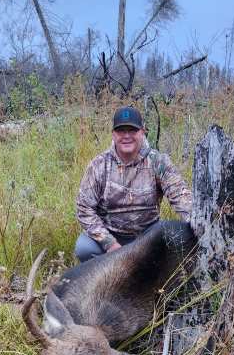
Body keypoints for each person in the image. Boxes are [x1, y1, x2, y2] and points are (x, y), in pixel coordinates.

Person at [75, 106, 192, 262]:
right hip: (110, 234)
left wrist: (196, 221)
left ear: (142, 132)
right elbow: (84, 208)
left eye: (132, 130)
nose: (127, 136)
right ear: (113, 134)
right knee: (84, 248)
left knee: (181, 238)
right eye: (121, 131)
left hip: (149, 235)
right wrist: (110, 244)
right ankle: (107, 282)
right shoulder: (99, 165)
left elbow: (179, 194)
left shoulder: (158, 161)